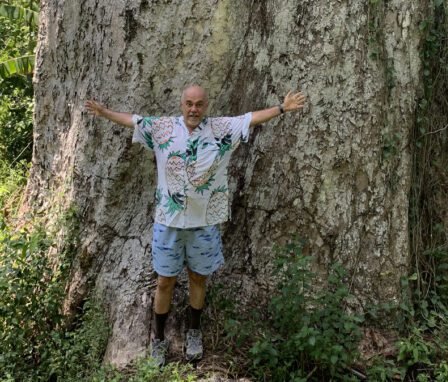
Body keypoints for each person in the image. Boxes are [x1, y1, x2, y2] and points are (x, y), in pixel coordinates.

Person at [85, 85, 305, 365]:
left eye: (199, 104)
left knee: (198, 278)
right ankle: (159, 340)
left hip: (204, 223)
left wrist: (282, 108)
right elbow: (134, 120)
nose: (194, 109)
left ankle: (194, 332)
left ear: (206, 105)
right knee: (164, 281)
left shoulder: (221, 129)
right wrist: (104, 112)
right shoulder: (164, 128)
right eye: (189, 103)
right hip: (168, 221)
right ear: (181, 104)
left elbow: (250, 118)